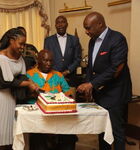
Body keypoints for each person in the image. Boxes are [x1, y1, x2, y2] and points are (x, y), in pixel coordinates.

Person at [77, 12, 132, 150]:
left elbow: (116, 69)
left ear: (99, 24)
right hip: (100, 94)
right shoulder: (92, 41)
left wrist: (91, 84)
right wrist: (90, 86)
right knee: (102, 130)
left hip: (115, 94)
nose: (86, 31)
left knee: (116, 131)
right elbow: (91, 67)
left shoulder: (117, 39)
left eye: (88, 28)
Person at [0, 28, 39, 149]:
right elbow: (8, 81)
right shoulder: (1, 56)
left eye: (24, 44)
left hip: (8, 94)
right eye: (20, 44)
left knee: (8, 128)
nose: (22, 47)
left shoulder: (20, 56)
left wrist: (31, 82)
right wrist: (28, 84)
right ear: (11, 41)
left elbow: (22, 75)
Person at [27, 50, 76, 150]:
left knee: (70, 134)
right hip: (38, 115)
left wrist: (67, 98)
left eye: (50, 61)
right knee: (38, 139)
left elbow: (68, 93)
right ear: (38, 60)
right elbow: (25, 95)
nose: (48, 63)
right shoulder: (29, 75)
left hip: (58, 114)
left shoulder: (58, 75)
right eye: (45, 60)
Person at [44, 15, 81, 87]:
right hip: (53, 77)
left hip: (70, 78)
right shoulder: (48, 40)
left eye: (63, 22)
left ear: (67, 24)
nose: (60, 25)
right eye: (58, 23)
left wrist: (68, 71)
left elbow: (78, 58)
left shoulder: (74, 39)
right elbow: (46, 59)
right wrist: (56, 73)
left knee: (70, 97)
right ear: (55, 25)